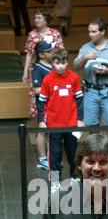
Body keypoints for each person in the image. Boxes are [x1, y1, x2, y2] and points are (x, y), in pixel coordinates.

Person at [38, 48, 83, 178]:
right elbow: (41, 102)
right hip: (53, 124)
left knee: (73, 152)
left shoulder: (74, 77)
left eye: (63, 63)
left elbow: (79, 100)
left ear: (67, 62)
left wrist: (80, 119)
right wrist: (41, 120)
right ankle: (55, 181)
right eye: (57, 63)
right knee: (55, 154)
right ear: (52, 63)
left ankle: (75, 178)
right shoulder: (47, 79)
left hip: (71, 123)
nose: (61, 66)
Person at [73, 18, 108, 128]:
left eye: (94, 32)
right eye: (89, 31)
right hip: (90, 91)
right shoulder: (85, 48)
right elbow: (76, 66)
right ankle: (94, 145)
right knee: (91, 125)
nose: (90, 34)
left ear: (102, 32)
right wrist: (84, 58)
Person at [23, 9, 64, 117]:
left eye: (39, 17)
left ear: (46, 20)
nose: (36, 20)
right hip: (36, 69)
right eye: (35, 17)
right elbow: (29, 54)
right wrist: (25, 72)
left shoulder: (55, 33)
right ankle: (41, 122)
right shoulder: (32, 34)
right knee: (37, 93)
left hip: (53, 68)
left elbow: (61, 52)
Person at [32, 40, 54, 170]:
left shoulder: (53, 65)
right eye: (49, 51)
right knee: (42, 130)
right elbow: (36, 89)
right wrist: (53, 88)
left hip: (53, 105)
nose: (52, 53)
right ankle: (42, 159)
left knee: (49, 131)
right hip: (43, 106)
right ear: (41, 55)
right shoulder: (38, 68)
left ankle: (49, 157)